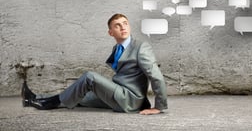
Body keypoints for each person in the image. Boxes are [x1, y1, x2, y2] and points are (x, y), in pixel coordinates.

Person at [21, 13, 167, 115]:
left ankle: (49, 103)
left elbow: (156, 76)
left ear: (129, 26)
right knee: (80, 95)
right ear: (110, 33)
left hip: (129, 99)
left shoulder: (141, 47)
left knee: (89, 77)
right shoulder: (117, 48)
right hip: (118, 93)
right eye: (117, 25)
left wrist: (159, 107)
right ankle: (33, 98)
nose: (123, 27)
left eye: (125, 23)